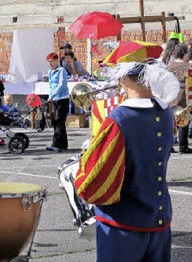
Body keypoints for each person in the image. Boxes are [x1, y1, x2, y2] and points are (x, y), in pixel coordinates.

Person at [75, 48, 179, 262]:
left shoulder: (119, 119)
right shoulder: (166, 114)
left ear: (123, 77)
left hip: (123, 226)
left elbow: (94, 183)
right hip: (159, 223)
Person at [167, 44, 190, 153]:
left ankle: (169, 146)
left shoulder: (170, 65)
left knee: (171, 123)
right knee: (182, 122)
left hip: (170, 96)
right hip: (182, 96)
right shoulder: (187, 66)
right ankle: (183, 146)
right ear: (184, 53)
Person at [46, 52, 70, 152]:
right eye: (49, 62)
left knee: (59, 121)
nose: (50, 64)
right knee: (57, 121)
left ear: (56, 60)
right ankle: (63, 144)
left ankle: (56, 144)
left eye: (51, 61)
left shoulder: (61, 71)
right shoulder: (50, 72)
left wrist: (52, 95)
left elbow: (61, 85)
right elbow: (51, 85)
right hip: (55, 99)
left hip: (62, 98)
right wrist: (50, 96)